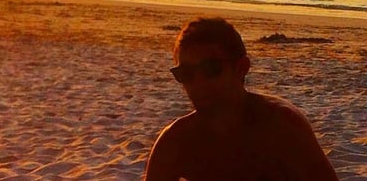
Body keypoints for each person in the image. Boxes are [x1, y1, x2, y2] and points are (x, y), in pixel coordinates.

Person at [144, 17, 338, 181]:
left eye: (211, 69)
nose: (199, 83)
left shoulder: (281, 126)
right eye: (186, 73)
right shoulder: (176, 141)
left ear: (241, 68)